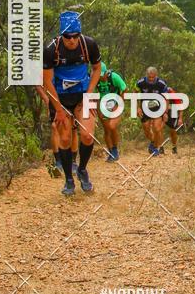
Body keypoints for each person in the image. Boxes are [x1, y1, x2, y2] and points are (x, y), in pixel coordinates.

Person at [42, 10, 102, 195]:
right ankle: (69, 179)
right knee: (66, 138)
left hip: (83, 95)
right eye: (68, 37)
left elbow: (97, 68)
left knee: (87, 136)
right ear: (62, 35)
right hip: (60, 98)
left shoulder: (89, 44)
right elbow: (47, 81)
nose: (72, 40)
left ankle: (82, 169)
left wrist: (89, 94)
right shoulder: (51, 49)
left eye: (75, 36)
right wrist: (58, 109)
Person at [36, 83, 78, 175]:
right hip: (56, 98)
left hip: (73, 96)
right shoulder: (48, 69)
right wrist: (47, 100)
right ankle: (58, 161)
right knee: (55, 126)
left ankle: (73, 161)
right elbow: (38, 84)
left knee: (73, 127)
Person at [96, 62, 128, 162]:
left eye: (102, 75)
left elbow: (125, 89)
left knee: (112, 126)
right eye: (98, 75)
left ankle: (115, 150)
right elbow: (93, 95)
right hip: (103, 105)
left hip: (116, 103)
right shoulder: (94, 79)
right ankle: (111, 152)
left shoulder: (114, 77)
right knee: (106, 130)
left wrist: (119, 105)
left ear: (106, 72)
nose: (100, 77)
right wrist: (98, 110)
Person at [136, 66, 169, 157]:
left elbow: (166, 98)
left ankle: (155, 148)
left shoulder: (161, 84)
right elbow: (134, 95)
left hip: (158, 108)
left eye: (153, 77)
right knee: (146, 129)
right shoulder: (140, 83)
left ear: (156, 75)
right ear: (146, 75)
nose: (151, 79)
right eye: (149, 77)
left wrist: (165, 112)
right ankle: (153, 142)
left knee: (157, 128)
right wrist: (137, 108)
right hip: (144, 108)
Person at [164, 88, 184, 154]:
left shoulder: (174, 95)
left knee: (173, 130)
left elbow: (181, 108)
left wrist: (180, 119)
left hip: (173, 113)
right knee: (159, 129)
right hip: (163, 113)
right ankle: (160, 146)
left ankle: (174, 146)